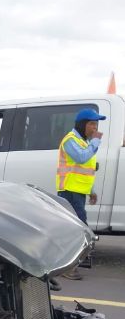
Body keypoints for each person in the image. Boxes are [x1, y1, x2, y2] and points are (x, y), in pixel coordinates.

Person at [56, 108, 105, 279]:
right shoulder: (70, 140)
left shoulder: (83, 142)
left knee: (74, 228)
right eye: (92, 124)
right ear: (82, 124)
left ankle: (68, 264)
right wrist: (96, 142)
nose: (95, 128)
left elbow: (85, 170)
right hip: (69, 190)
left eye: (96, 124)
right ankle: (67, 267)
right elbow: (82, 158)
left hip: (78, 191)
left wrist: (91, 191)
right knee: (77, 228)